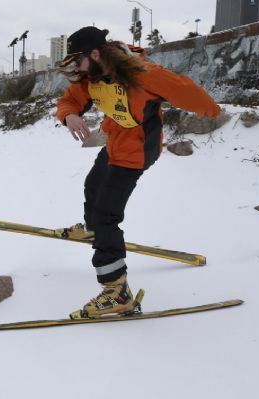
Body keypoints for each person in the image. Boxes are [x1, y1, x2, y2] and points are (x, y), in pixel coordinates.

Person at [55, 26, 221, 318]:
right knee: (93, 186)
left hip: (137, 151)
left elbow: (185, 90)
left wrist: (211, 111)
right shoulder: (90, 77)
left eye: (77, 61)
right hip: (116, 142)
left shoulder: (143, 75)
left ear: (95, 54)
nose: (76, 69)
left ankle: (116, 291)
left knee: (108, 214)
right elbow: (70, 98)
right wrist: (69, 115)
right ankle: (93, 228)